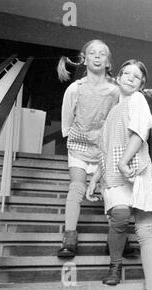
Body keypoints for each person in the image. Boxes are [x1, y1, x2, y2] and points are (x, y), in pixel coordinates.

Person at [86, 59, 152, 290]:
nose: (129, 77)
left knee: (144, 228)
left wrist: (124, 160)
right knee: (119, 215)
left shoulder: (138, 100)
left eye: (136, 76)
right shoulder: (113, 111)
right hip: (114, 173)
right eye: (126, 73)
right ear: (118, 77)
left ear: (141, 83)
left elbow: (140, 133)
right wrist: (96, 177)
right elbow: (106, 149)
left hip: (136, 169)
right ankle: (115, 266)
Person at [57, 39, 120, 258]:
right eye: (92, 53)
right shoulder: (75, 88)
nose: (97, 56)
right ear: (85, 59)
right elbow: (67, 119)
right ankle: (69, 238)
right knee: (77, 187)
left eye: (102, 53)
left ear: (107, 62)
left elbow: (116, 121)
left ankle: (117, 239)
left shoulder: (114, 91)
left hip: (103, 148)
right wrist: (75, 136)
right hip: (78, 146)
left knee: (110, 190)